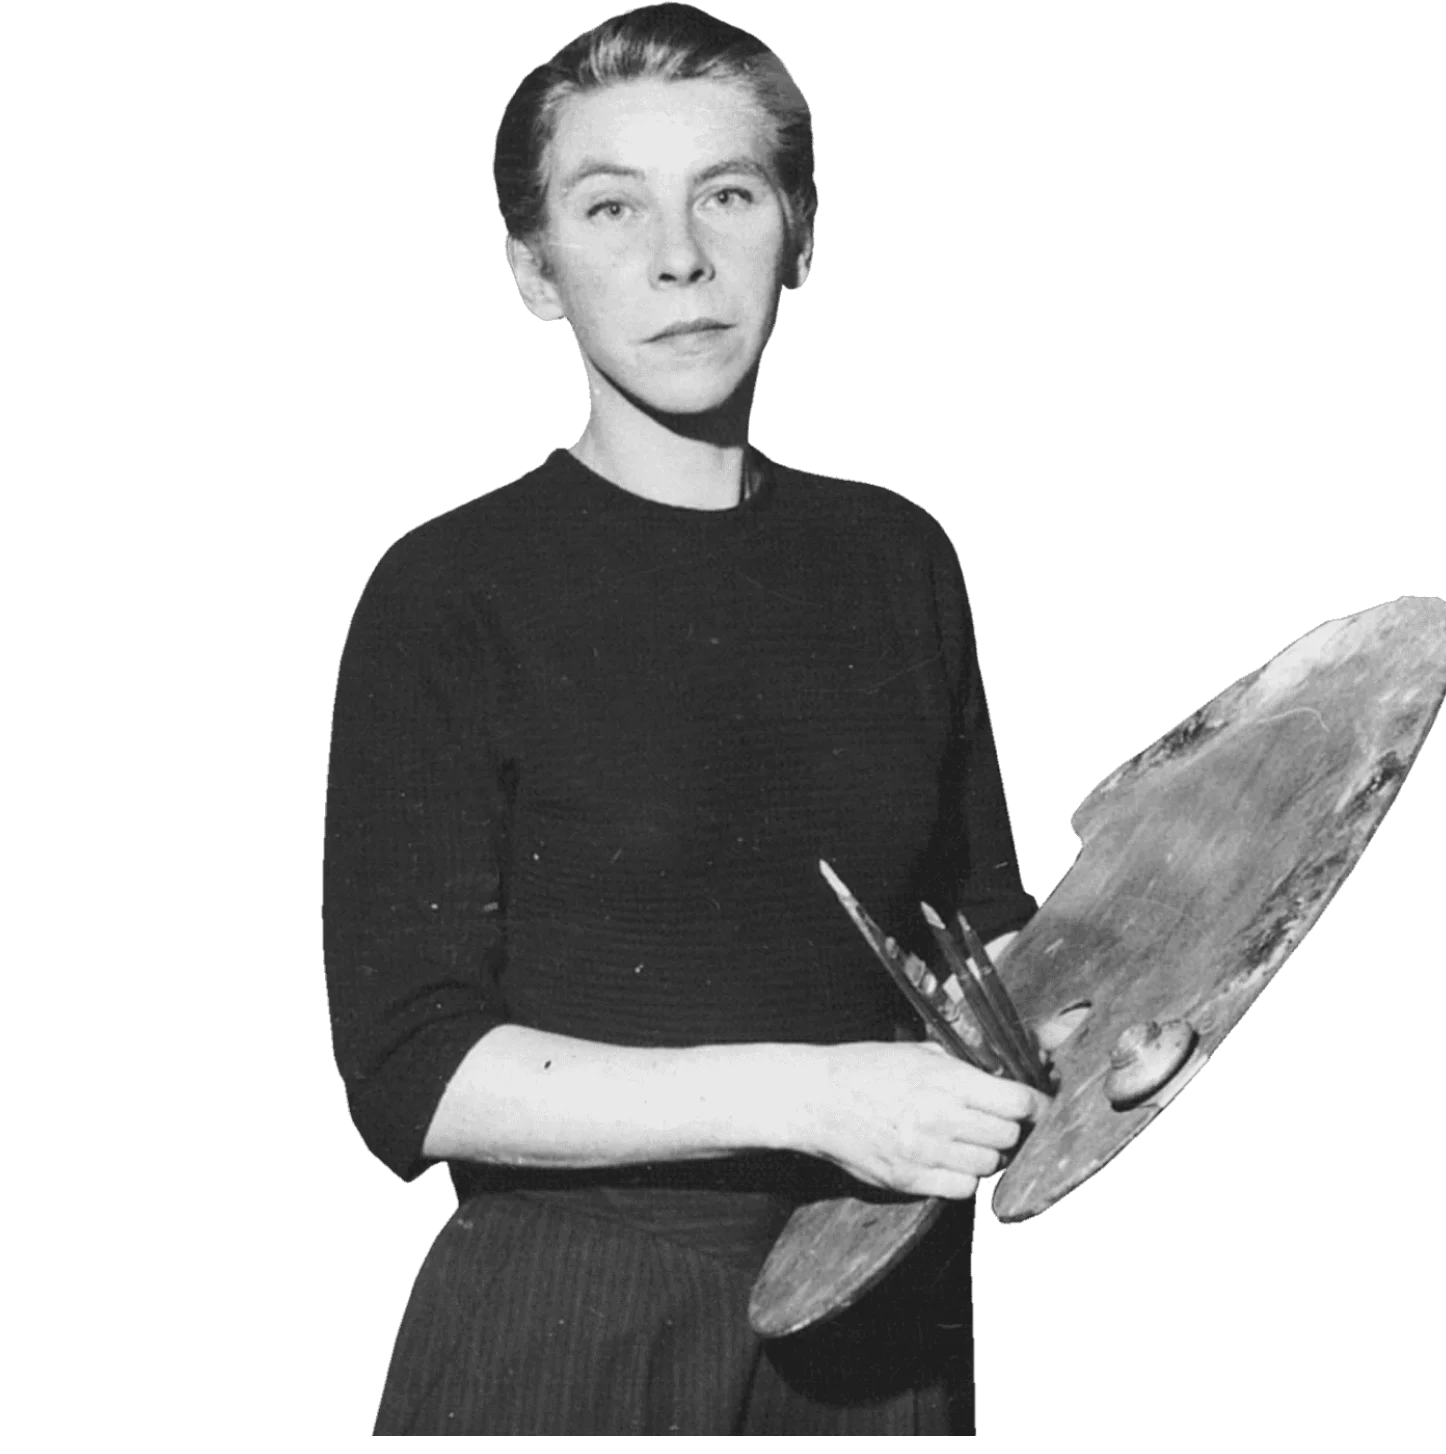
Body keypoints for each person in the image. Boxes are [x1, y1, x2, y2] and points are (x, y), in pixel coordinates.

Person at [326, 6, 1047, 1438]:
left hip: (877, 1309)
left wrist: (1124, 997)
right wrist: (812, 1098)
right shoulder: (448, 588)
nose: (679, 258)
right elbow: (413, 1072)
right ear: (535, 273)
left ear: (803, 240)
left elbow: (986, 935)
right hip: (576, 1326)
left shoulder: (899, 553)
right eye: (613, 207)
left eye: (728, 194)